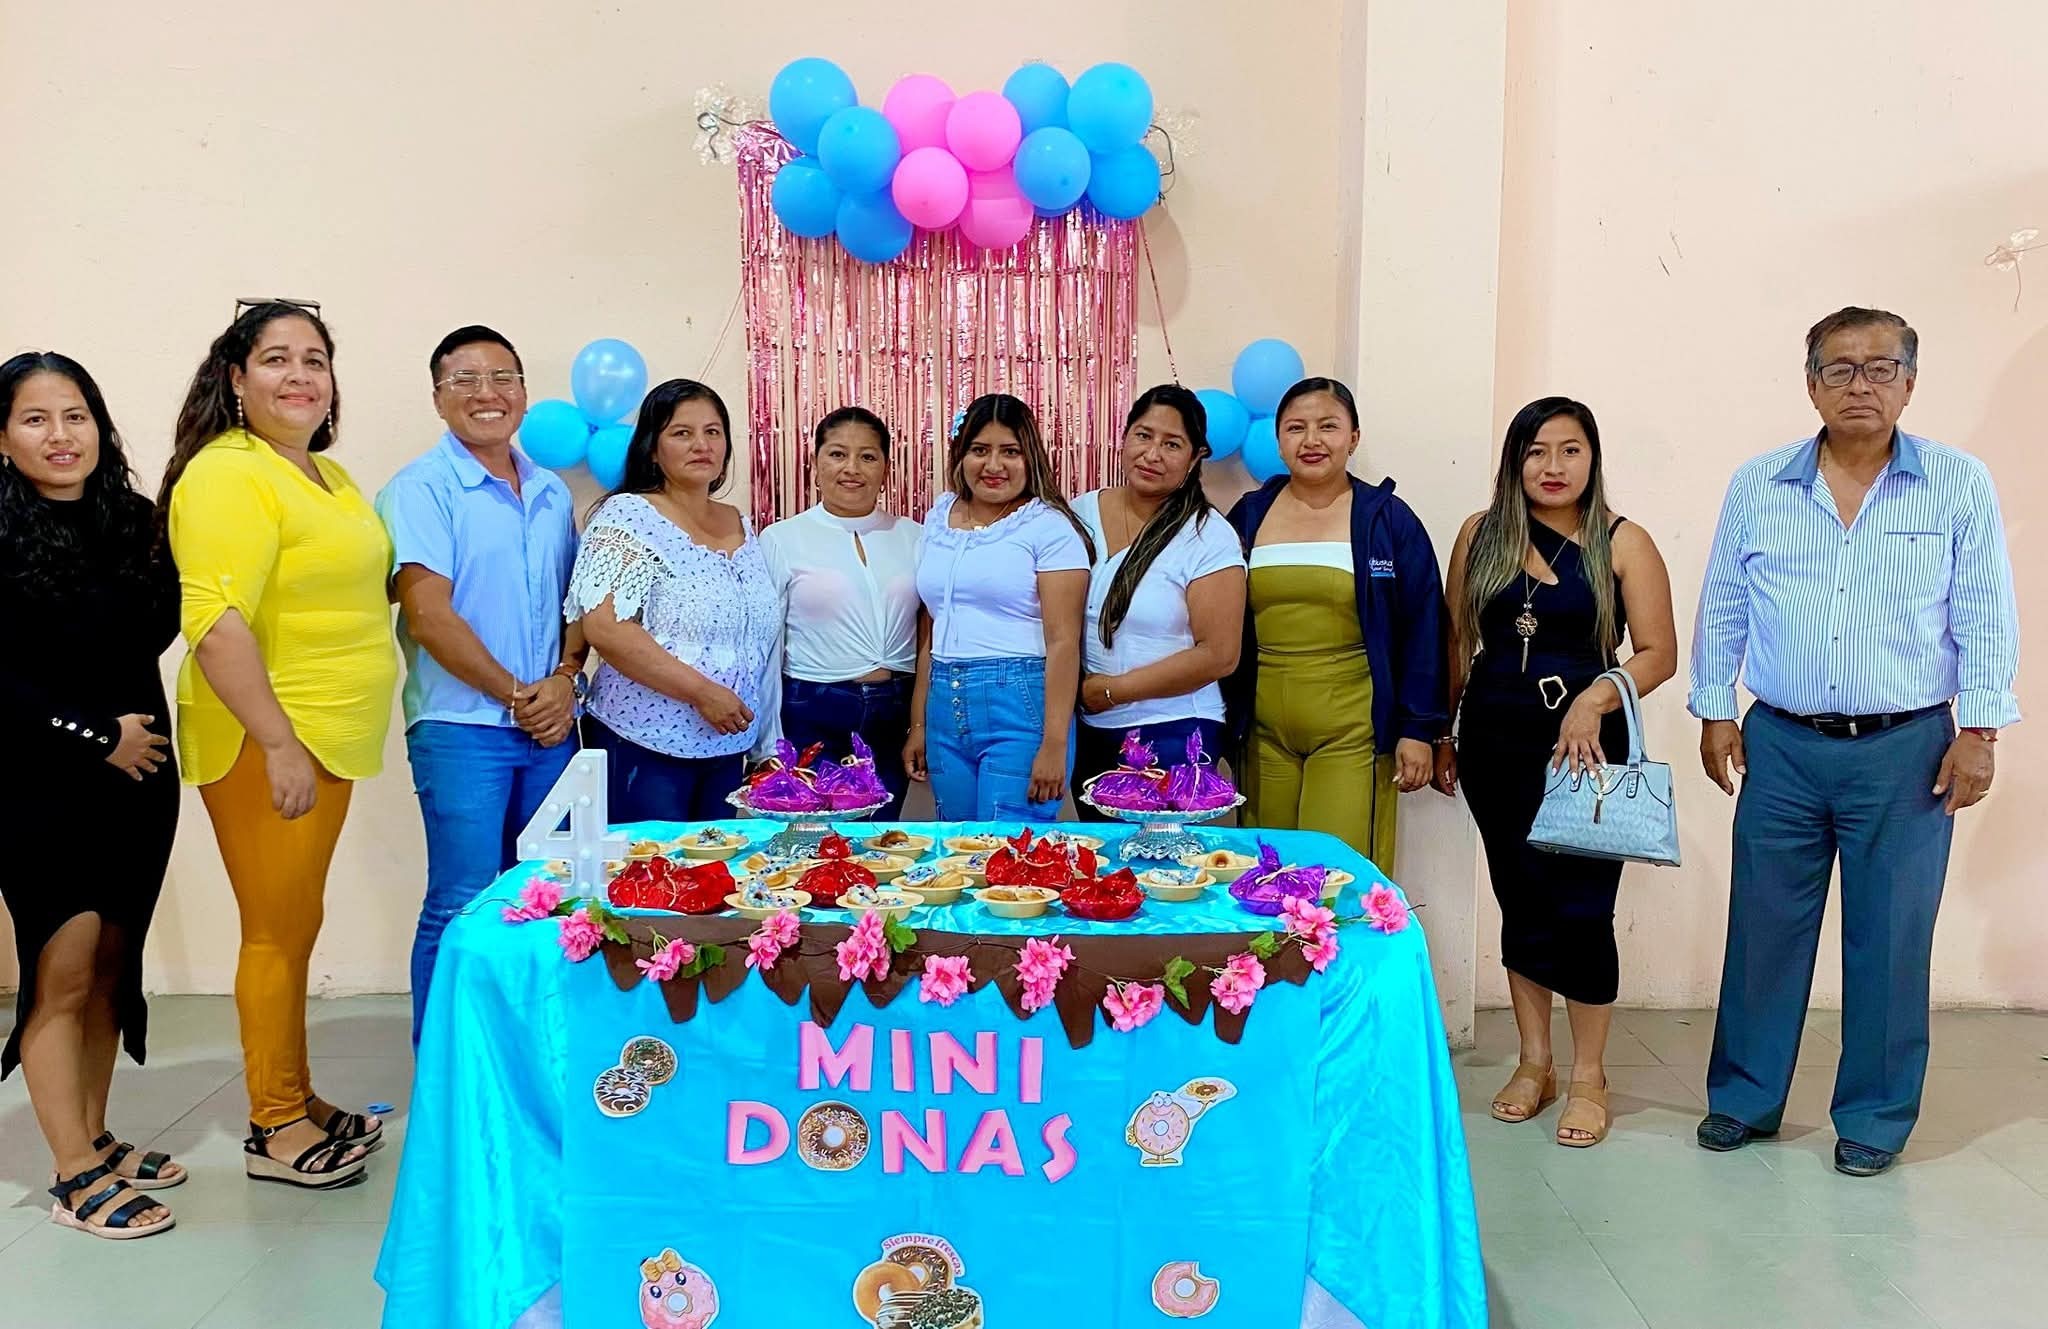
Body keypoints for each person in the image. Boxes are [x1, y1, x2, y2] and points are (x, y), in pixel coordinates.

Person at [1689, 307, 2020, 1177]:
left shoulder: (1957, 483)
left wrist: (1980, 728)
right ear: (1811, 384)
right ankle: (1744, 1096)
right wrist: (1714, 707)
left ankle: (1874, 1115)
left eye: (1880, 368)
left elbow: (1986, 611)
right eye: (1839, 368)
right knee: (1763, 929)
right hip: (1781, 744)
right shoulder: (1760, 484)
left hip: (1907, 750)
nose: (1860, 385)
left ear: (1910, 382)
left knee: (1892, 937)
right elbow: (1724, 600)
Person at [160, 300, 390, 1189]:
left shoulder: (325, 475)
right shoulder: (228, 472)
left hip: (328, 733)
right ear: (236, 377)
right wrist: (278, 739)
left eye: (315, 359)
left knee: (297, 922)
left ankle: (295, 1091)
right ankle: (274, 1123)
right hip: (269, 736)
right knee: (272, 930)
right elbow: (215, 620)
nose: (300, 375)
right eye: (277, 358)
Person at [1438, 397, 1677, 1148]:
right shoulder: (1479, 534)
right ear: (1515, 460)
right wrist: (1442, 733)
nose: (1553, 466)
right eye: (1536, 451)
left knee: (1581, 909)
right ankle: (1534, 1061)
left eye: (1570, 450)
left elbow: (1659, 652)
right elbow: (1455, 641)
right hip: (1494, 741)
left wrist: (1596, 696)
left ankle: (1589, 1075)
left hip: (1586, 747)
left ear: (1592, 458)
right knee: (1520, 899)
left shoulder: (1623, 541)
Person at [1, 353, 182, 1238]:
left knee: (114, 967)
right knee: (61, 972)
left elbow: (159, 628)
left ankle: (94, 1135)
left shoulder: (135, 522)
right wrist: (95, 735)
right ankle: (73, 1174)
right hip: (38, 785)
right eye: (35, 419)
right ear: (2, 436)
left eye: (75, 415)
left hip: (140, 781)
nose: (60, 435)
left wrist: (125, 743)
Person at [376, 326, 583, 1047]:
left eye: (502, 377)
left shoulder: (552, 492)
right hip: (462, 728)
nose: (486, 393)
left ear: (524, 393)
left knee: (546, 898)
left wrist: (564, 681)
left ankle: (523, 1053)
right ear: (438, 398)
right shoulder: (419, 489)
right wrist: (518, 693)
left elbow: (576, 605)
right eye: (464, 380)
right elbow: (429, 616)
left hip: (550, 730)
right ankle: (443, 1063)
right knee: (462, 899)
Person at [1223, 377, 1446, 870]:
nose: (1312, 440)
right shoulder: (1248, 515)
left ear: (1354, 438)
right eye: (1295, 428)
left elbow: (1424, 628)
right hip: (1262, 731)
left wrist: (1419, 728)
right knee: (1264, 874)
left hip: (1353, 728)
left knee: (1336, 875)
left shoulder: (1387, 520)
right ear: (1278, 440)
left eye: (1328, 426)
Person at [567, 379, 778, 824]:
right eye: (682, 433)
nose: (702, 445)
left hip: (727, 746)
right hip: (644, 741)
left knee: (715, 866)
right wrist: (702, 692)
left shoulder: (738, 522)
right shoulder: (628, 516)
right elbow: (606, 627)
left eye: (713, 432)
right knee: (649, 868)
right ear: (651, 448)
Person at [905, 393, 1092, 821]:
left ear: (1031, 458)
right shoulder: (939, 518)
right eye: (979, 450)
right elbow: (931, 628)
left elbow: (1064, 642)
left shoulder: (1049, 527)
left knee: (1008, 849)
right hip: (943, 703)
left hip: (1020, 704)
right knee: (957, 845)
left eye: (1010, 451)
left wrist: (1055, 743)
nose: (993, 465)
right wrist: (919, 724)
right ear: (960, 454)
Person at [1072, 385, 1245, 813]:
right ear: (1124, 436)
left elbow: (1219, 655)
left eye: (1172, 444)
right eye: (1143, 435)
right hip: (1091, 728)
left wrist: (1113, 690)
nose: (1152, 454)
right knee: (1100, 855)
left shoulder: (1208, 535)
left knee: (1160, 855)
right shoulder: (1079, 514)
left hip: (1175, 731)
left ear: (1195, 457)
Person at [756, 407, 921, 817]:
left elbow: (932, 632)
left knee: (880, 837)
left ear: (885, 469)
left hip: (894, 712)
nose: (852, 468)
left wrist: (921, 723)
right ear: (815, 464)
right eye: (837, 454)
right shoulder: (782, 538)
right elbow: (765, 647)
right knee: (813, 836)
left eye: (867, 456)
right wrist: (766, 741)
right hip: (812, 708)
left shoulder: (915, 536)